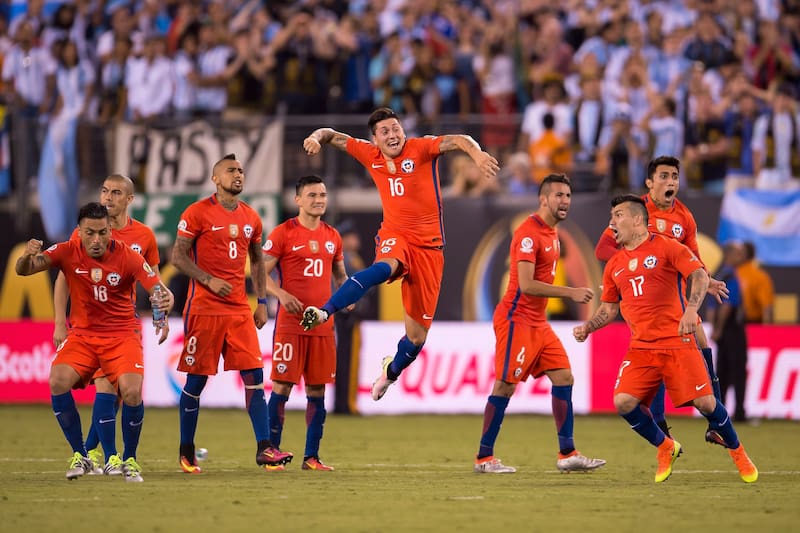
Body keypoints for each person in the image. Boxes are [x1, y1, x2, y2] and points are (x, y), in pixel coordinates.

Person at [299, 107, 499, 401]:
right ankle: (324, 310)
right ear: (375, 139)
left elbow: (459, 138)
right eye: (385, 131)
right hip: (396, 236)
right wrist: (316, 137)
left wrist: (477, 154)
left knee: (416, 339)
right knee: (385, 266)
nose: (392, 135)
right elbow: (332, 136)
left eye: (396, 128)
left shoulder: (420, 149)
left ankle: (390, 372)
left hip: (429, 249)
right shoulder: (370, 155)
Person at [573, 195, 758, 484]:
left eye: (618, 215)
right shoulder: (615, 266)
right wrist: (588, 327)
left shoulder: (667, 247)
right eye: (611, 215)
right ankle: (666, 446)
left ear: (637, 220)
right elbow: (609, 308)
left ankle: (739, 453)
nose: (612, 222)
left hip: (677, 341)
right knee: (622, 402)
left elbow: (697, 274)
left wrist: (692, 311)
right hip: (641, 348)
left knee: (707, 403)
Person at [15, 202, 170, 482]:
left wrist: (162, 305)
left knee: (132, 392)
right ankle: (81, 455)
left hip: (122, 335)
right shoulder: (66, 251)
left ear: (110, 230)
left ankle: (130, 459)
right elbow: (24, 270)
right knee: (57, 380)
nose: (96, 240)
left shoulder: (128, 256)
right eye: (90, 233)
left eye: (102, 232)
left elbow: (156, 287)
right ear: (79, 231)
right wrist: (27, 256)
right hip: (83, 336)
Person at [473, 174, 606, 474]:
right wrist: (570, 292)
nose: (564, 201)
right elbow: (527, 284)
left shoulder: (553, 234)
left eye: (568, 196)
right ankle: (484, 458)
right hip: (516, 319)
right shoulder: (529, 233)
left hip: (538, 322)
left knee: (564, 377)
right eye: (558, 195)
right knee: (505, 385)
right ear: (543, 199)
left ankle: (567, 454)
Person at [594, 155, 729, 446]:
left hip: (675, 299)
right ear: (649, 182)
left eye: (675, 177)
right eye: (664, 176)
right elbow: (603, 248)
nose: (671, 182)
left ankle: (714, 423)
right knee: (654, 355)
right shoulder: (633, 212)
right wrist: (632, 266)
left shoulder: (684, 217)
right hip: (644, 299)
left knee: (702, 342)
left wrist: (707, 280)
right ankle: (660, 425)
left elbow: (693, 257)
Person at [171, 153, 291, 474]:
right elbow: (177, 257)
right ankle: (186, 450)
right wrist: (208, 279)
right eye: (230, 171)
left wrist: (262, 302)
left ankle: (265, 449)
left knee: (254, 377)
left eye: (240, 170)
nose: (238, 175)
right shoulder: (197, 213)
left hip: (239, 309)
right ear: (215, 178)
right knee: (196, 381)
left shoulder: (252, 217)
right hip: (204, 308)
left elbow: (257, 262)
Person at [52, 174, 170, 476]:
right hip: (88, 327)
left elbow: (154, 280)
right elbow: (64, 276)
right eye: (104, 191)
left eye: (116, 192)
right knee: (106, 391)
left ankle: (98, 453)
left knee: (118, 393)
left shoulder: (143, 236)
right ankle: (108, 456)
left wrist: (160, 317)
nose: (108, 197)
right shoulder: (84, 233)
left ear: (129, 199)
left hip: (121, 325)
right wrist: (59, 322)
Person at [262, 175, 348, 471]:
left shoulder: (333, 236)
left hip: (323, 326)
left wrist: (348, 295)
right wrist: (281, 294)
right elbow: (258, 273)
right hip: (290, 325)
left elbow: (340, 275)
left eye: (322, 195)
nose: (319, 200)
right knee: (282, 389)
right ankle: (271, 453)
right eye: (312, 195)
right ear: (298, 200)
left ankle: (311, 457)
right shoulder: (283, 233)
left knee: (317, 392)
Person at [706, 241, 749, 422]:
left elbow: (711, 306)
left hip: (722, 331)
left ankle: (719, 412)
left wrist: (714, 328)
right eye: (739, 253)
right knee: (738, 370)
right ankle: (739, 412)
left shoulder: (719, 274)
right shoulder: (731, 275)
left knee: (722, 370)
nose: (743, 257)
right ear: (730, 255)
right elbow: (727, 306)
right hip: (731, 329)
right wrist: (720, 328)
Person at [736, 241, 775, 324]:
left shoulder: (758, 276)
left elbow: (767, 306)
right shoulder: (732, 273)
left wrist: (765, 331)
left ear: (745, 254)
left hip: (752, 323)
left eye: (738, 253)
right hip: (733, 323)